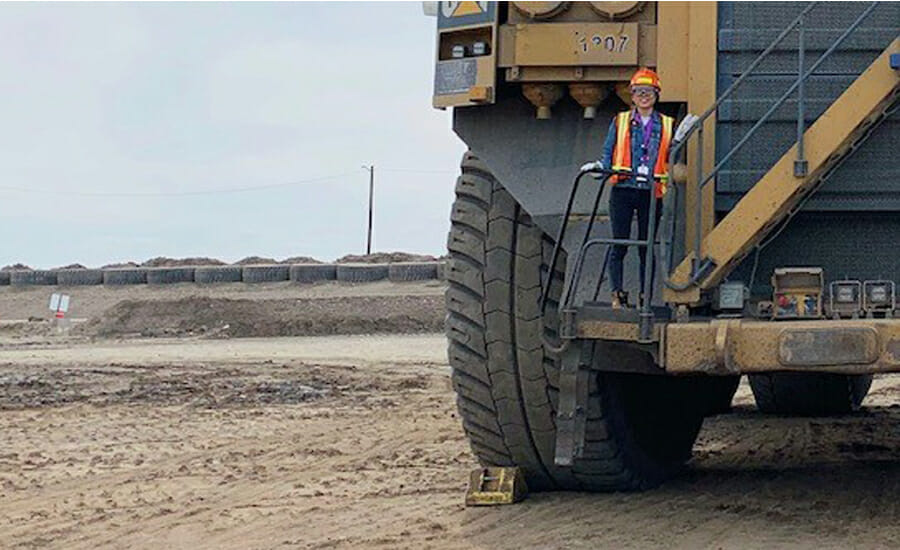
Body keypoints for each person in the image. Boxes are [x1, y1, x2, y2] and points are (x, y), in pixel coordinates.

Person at [581, 68, 674, 309]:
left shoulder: (666, 125)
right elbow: (608, 152)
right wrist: (599, 168)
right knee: (619, 244)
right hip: (623, 188)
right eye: (639, 92)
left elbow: (672, 156)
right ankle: (617, 295)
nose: (644, 96)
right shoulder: (620, 121)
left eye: (649, 92)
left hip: (651, 192)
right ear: (632, 95)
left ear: (656, 94)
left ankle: (645, 297)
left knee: (646, 246)